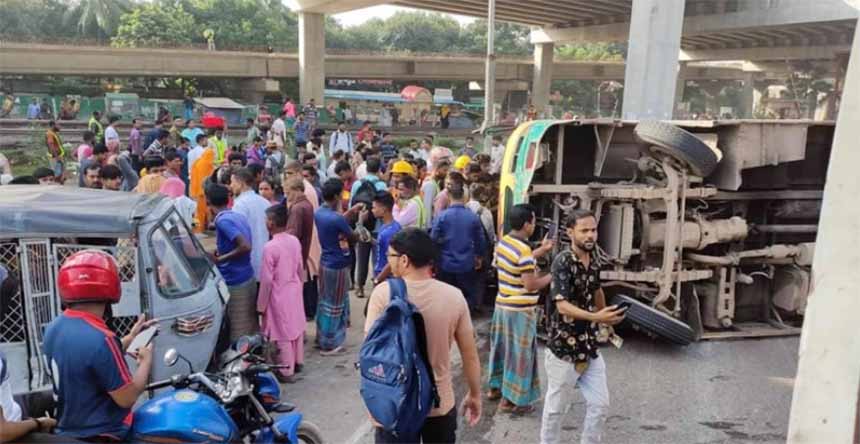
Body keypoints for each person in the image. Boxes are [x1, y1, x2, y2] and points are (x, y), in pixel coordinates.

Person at [365, 228, 482, 443]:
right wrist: (475, 394)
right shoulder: (454, 297)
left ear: (405, 260)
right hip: (438, 405)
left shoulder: (383, 294)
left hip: (394, 405)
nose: (389, 263)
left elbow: (370, 353)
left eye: (391, 256)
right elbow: (470, 355)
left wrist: (373, 399)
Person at [43, 250, 156, 441]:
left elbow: (87, 357)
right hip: (103, 433)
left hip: (67, 429)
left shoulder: (53, 328)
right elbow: (126, 398)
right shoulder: (102, 339)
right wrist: (146, 362)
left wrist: (131, 336)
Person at [540, 210, 628, 444]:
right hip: (563, 349)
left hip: (589, 347)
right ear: (570, 233)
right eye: (585, 231)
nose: (591, 235)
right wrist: (595, 316)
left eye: (594, 230)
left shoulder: (594, 258)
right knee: (555, 410)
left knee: (600, 405)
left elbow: (597, 289)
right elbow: (562, 306)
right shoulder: (563, 261)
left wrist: (605, 319)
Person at [486, 204, 554, 415]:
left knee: (502, 349)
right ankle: (512, 400)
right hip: (520, 310)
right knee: (520, 355)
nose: (534, 225)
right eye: (533, 221)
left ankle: (495, 388)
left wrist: (539, 251)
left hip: (503, 305)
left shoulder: (504, 243)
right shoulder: (523, 251)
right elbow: (530, 285)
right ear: (526, 225)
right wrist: (553, 275)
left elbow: (514, 263)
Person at [1, 264, 58, 442]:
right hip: (8, 433)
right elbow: (2, 433)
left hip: (10, 410)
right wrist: (38, 423)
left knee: (52, 396)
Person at [314, 178, 364, 354]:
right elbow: (353, 236)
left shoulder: (320, 212)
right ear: (336, 196)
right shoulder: (335, 218)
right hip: (338, 264)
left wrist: (350, 211)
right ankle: (331, 342)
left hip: (326, 261)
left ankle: (322, 337)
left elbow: (337, 222)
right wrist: (360, 222)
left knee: (325, 301)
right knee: (335, 304)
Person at [258, 204, 306, 383]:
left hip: (278, 293)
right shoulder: (294, 241)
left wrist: (261, 305)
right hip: (293, 289)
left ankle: (286, 370)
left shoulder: (270, 247)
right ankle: (297, 360)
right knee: (295, 325)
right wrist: (299, 285)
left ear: (271, 223)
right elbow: (300, 267)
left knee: (282, 331)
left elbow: (267, 280)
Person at [207, 183, 258, 340]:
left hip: (235, 279)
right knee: (249, 323)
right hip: (246, 275)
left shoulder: (223, 221)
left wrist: (219, 259)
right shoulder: (236, 215)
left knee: (238, 329)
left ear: (208, 202)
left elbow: (245, 246)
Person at [430, 178, 487, 312]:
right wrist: (479, 257)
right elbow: (480, 240)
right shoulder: (472, 217)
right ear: (464, 196)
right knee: (466, 295)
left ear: (449, 197)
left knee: (446, 295)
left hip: (446, 263)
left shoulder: (442, 216)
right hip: (466, 263)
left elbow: (433, 239)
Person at [284, 172, 322, 321]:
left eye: (288, 193)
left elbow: (293, 235)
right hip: (304, 252)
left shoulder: (297, 208)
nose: (287, 196)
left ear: (296, 190)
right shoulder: (306, 204)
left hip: (297, 255)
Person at [349, 157, 388, 298]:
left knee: (362, 258)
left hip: (363, 225)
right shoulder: (382, 186)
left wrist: (356, 223)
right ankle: (377, 286)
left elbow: (351, 206)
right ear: (379, 170)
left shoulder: (357, 184)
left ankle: (359, 287)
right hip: (378, 226)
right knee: (378, 259)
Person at [230, 167, 271, 280]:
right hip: (265, 258)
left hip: (248, 261)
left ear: (241, 183)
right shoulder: (265, 202)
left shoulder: (240, 205)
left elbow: (238, 235)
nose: (231, 185)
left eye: (232, 182)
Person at [368, 192, 401, 285]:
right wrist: (370, 239)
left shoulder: (390, 232)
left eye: (374, 207)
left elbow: (393, 260)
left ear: (383, 209)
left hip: (386, 278)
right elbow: (382, 246)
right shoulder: (386, 226)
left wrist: (378, 279)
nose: (372, 210)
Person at [189, 134, 215, 233]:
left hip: (195, 190)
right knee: (202, 212)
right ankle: (200, 229)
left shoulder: (198, 162)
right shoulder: (207, 165)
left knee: (196, 212)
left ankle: (196, 229)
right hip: (203, 192)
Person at [422, 158, 450, 224]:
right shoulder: (430, 185)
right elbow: (427, 207)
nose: (446, 173)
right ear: (437, 170)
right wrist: (428, 226)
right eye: (444, 170)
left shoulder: (436, 183)